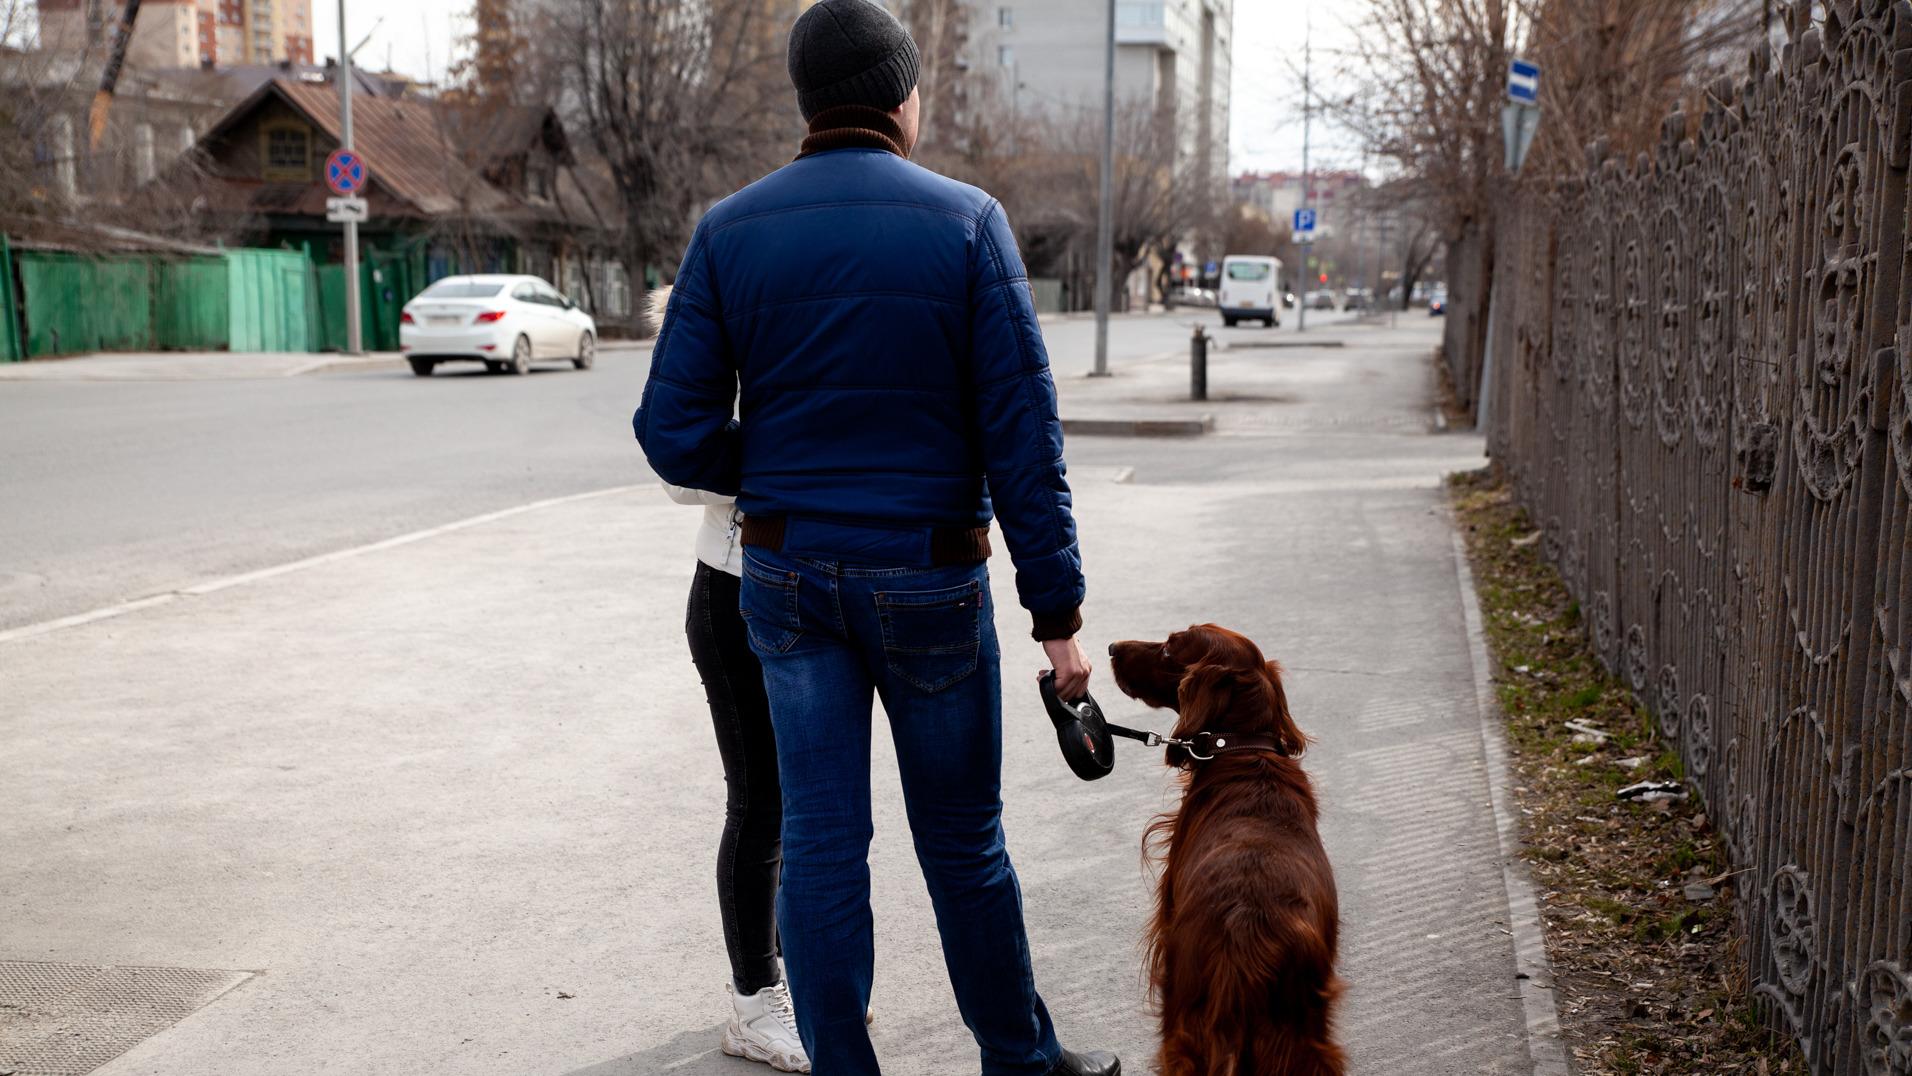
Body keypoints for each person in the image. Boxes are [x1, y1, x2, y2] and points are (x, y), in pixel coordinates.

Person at [634, 2, 1114, 1072]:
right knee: (964, 843)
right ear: (901, 94)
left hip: (789, 580)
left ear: (807, 101)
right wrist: (1059, 616)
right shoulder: (967, 222)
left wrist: (776, 474)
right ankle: (1020, 1061)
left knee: (818, 845)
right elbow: (1022, 438)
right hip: (931, 580)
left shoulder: (728, 229)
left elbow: (668, 431)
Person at [663, 481, 809, 1073]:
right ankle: (754, 1004)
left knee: (812, 797)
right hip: (735, 585)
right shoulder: (731, 385)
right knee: (760, 802)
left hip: (820, 585)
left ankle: (796, 974)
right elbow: (676, 472)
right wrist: (778, 451)